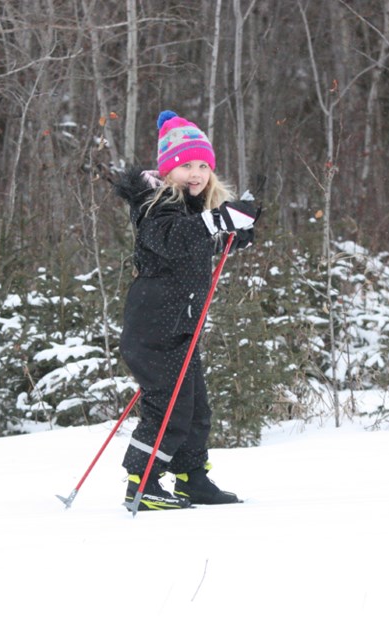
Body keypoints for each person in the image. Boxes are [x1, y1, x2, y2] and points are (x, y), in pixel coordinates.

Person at [113, 110, 260, 511]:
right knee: (169, 406)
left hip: (179, 326)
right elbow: (174, 240)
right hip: (153, 327)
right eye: (185, 166)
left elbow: (198, 244)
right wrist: (218, 220)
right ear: (168, 171)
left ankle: (191, 479)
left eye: (202, 165)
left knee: (194, 406)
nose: (195, 173)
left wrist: (234, 235)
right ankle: (141, 482)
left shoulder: (192, 211)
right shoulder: (157, 207)